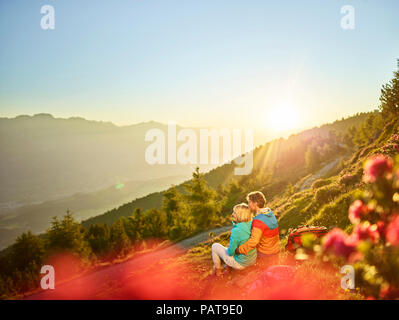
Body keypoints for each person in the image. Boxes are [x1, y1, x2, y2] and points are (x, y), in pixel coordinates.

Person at [211, 203, 257, 276]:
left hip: (241, 264)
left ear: (240, 215)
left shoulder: (236, 230)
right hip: (252, 260)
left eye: (234, 213)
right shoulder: (252, 224)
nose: (232, 214)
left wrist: (228, 248)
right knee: (230, 247)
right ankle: (227, 269)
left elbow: (230, 253)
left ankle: (218, 271)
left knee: (215, 246)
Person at [235, 191, 279, 263]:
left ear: (255, 203)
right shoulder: (269, 213)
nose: (248, 205)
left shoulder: (258, 220)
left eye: (249, 202)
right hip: (275, 251)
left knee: (240, 255)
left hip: (265, 255)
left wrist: (238, 250)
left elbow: (253, 242)